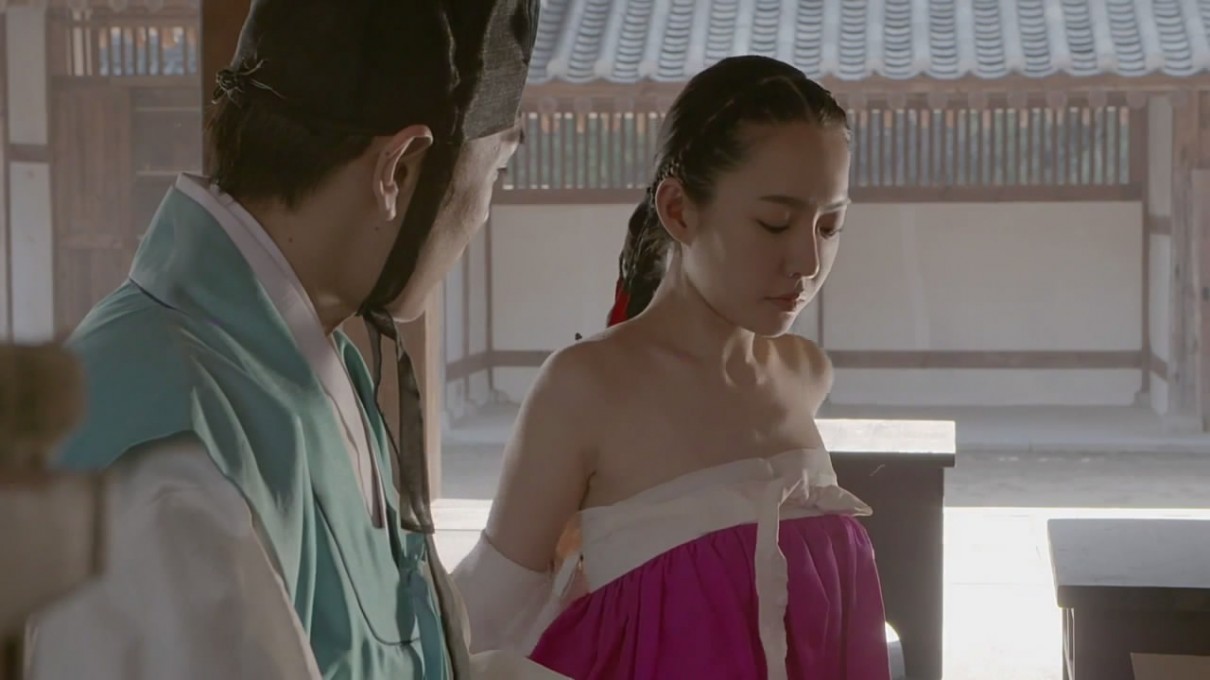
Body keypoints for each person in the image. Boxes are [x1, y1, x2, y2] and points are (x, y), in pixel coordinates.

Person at [22, 1, 558, 679]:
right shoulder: (166, 451)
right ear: (397, 169)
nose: (483, 211)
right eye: (496, 172)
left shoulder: (314, 357)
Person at [452, 55, 891, 679]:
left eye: (829, 226)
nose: (807, 261)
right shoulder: (586, 387)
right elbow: (489, 611)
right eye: (775, 223)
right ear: (680, 209)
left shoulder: (804, 374)